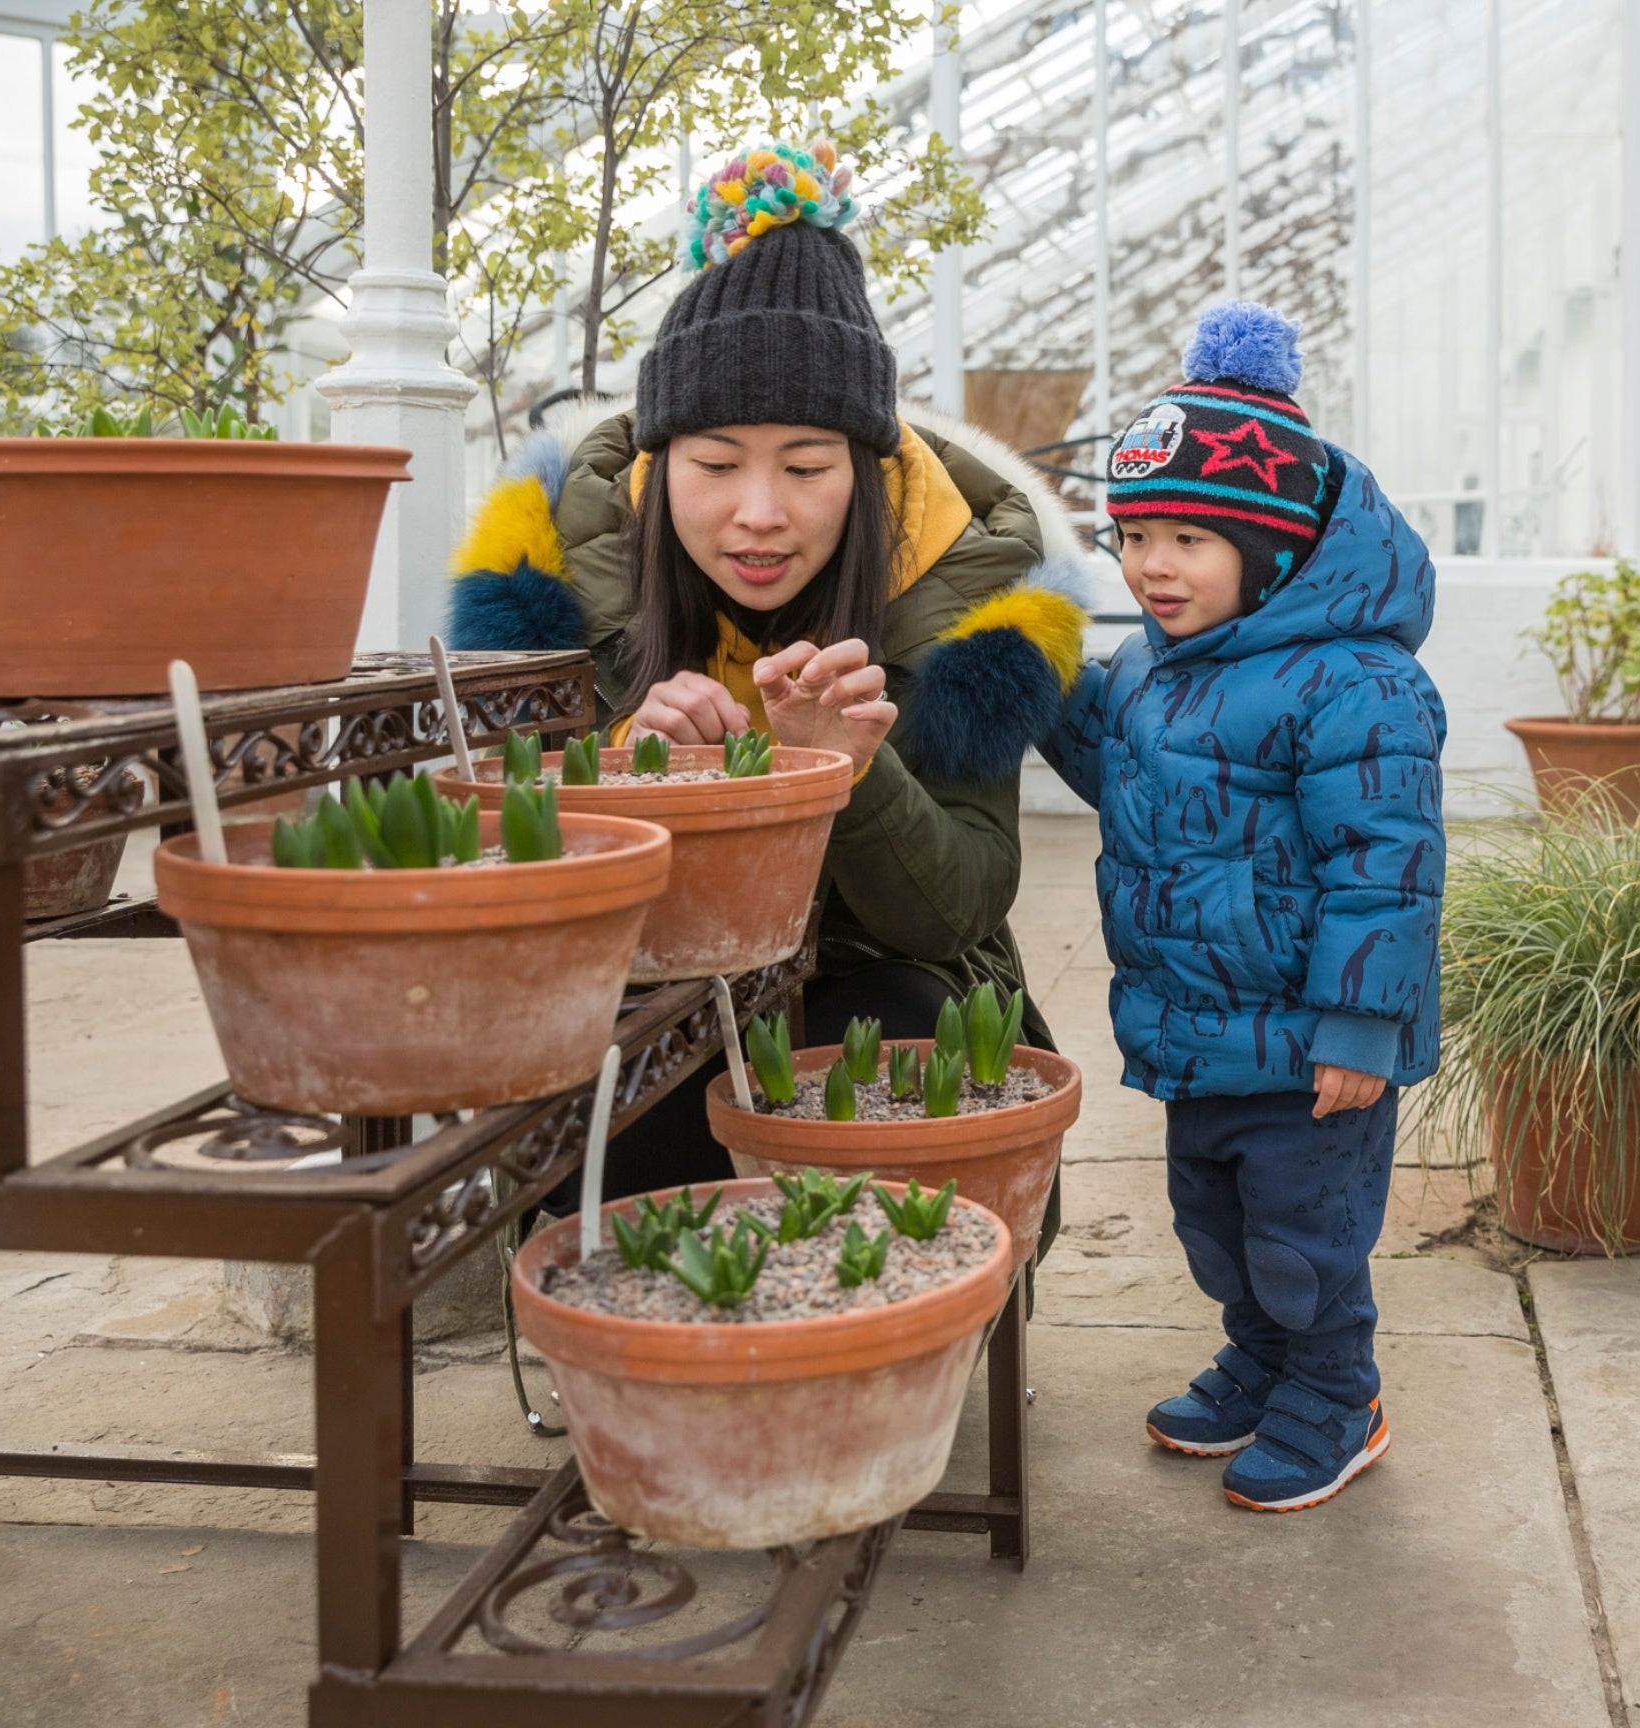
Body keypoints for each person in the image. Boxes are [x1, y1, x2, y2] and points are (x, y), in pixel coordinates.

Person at [447, 139, 1089, 1206]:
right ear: (656, 468)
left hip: (882, 982)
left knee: (893, 1044)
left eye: (805, 467)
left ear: (867, 473)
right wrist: (618, 766)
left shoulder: (962, 599)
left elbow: (957, 910)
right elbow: (504, 873)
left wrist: (844, 771)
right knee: (618, 1103)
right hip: (651, 980)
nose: (758, 512)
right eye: (713, 465)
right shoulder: (556, 586)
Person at [1041, 303, 1446, 1513]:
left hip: (1312, 1048)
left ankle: (1336, 1393)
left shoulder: (1358, 681)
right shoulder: (1156, 670)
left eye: (1188, 539)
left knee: (1305, 1238)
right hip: (1200, 1028)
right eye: (1134, 536)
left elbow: (1388, 866)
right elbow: (1115, 771)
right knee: (1213, 1224)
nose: (1151, 566)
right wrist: (1035, 679)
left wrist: (1361, 1029)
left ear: (1272, 551)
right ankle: (1261, 1361)